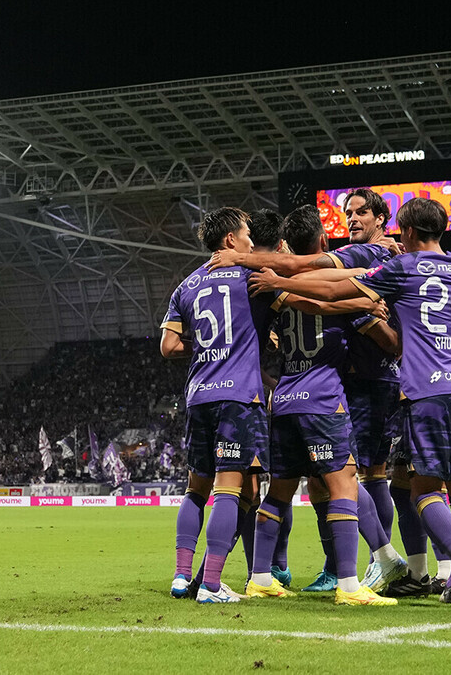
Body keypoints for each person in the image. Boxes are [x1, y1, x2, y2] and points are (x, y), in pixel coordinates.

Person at [249, 197, 451, 610]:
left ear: (405, 231)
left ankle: (450, 572)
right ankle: (444, 575)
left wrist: (280, 283)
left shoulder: (397, 265)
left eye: (362, 213)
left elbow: (329, 287)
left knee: (410, 487)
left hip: (407, 387)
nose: (353, 219)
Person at [245, 204, 397, 605]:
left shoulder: (280, 290)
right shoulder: (332, 284)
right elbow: (337, 303)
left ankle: (259, 576)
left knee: (277, 493)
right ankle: (349, 584)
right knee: (345, 482)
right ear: (324, 242)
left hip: (285, 398)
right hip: (323, 396)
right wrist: (367, 303)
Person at [161, 207, 276, 604]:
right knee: (229, 489)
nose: (250, 242)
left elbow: (169, 346)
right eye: (246, 235)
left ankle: (180, 577)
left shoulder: (186, 286)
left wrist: (208, 346)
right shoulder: (252, 276)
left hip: (198, 395)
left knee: (195, 489)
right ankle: (210, 584)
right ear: (230, 240)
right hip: (237, 396)